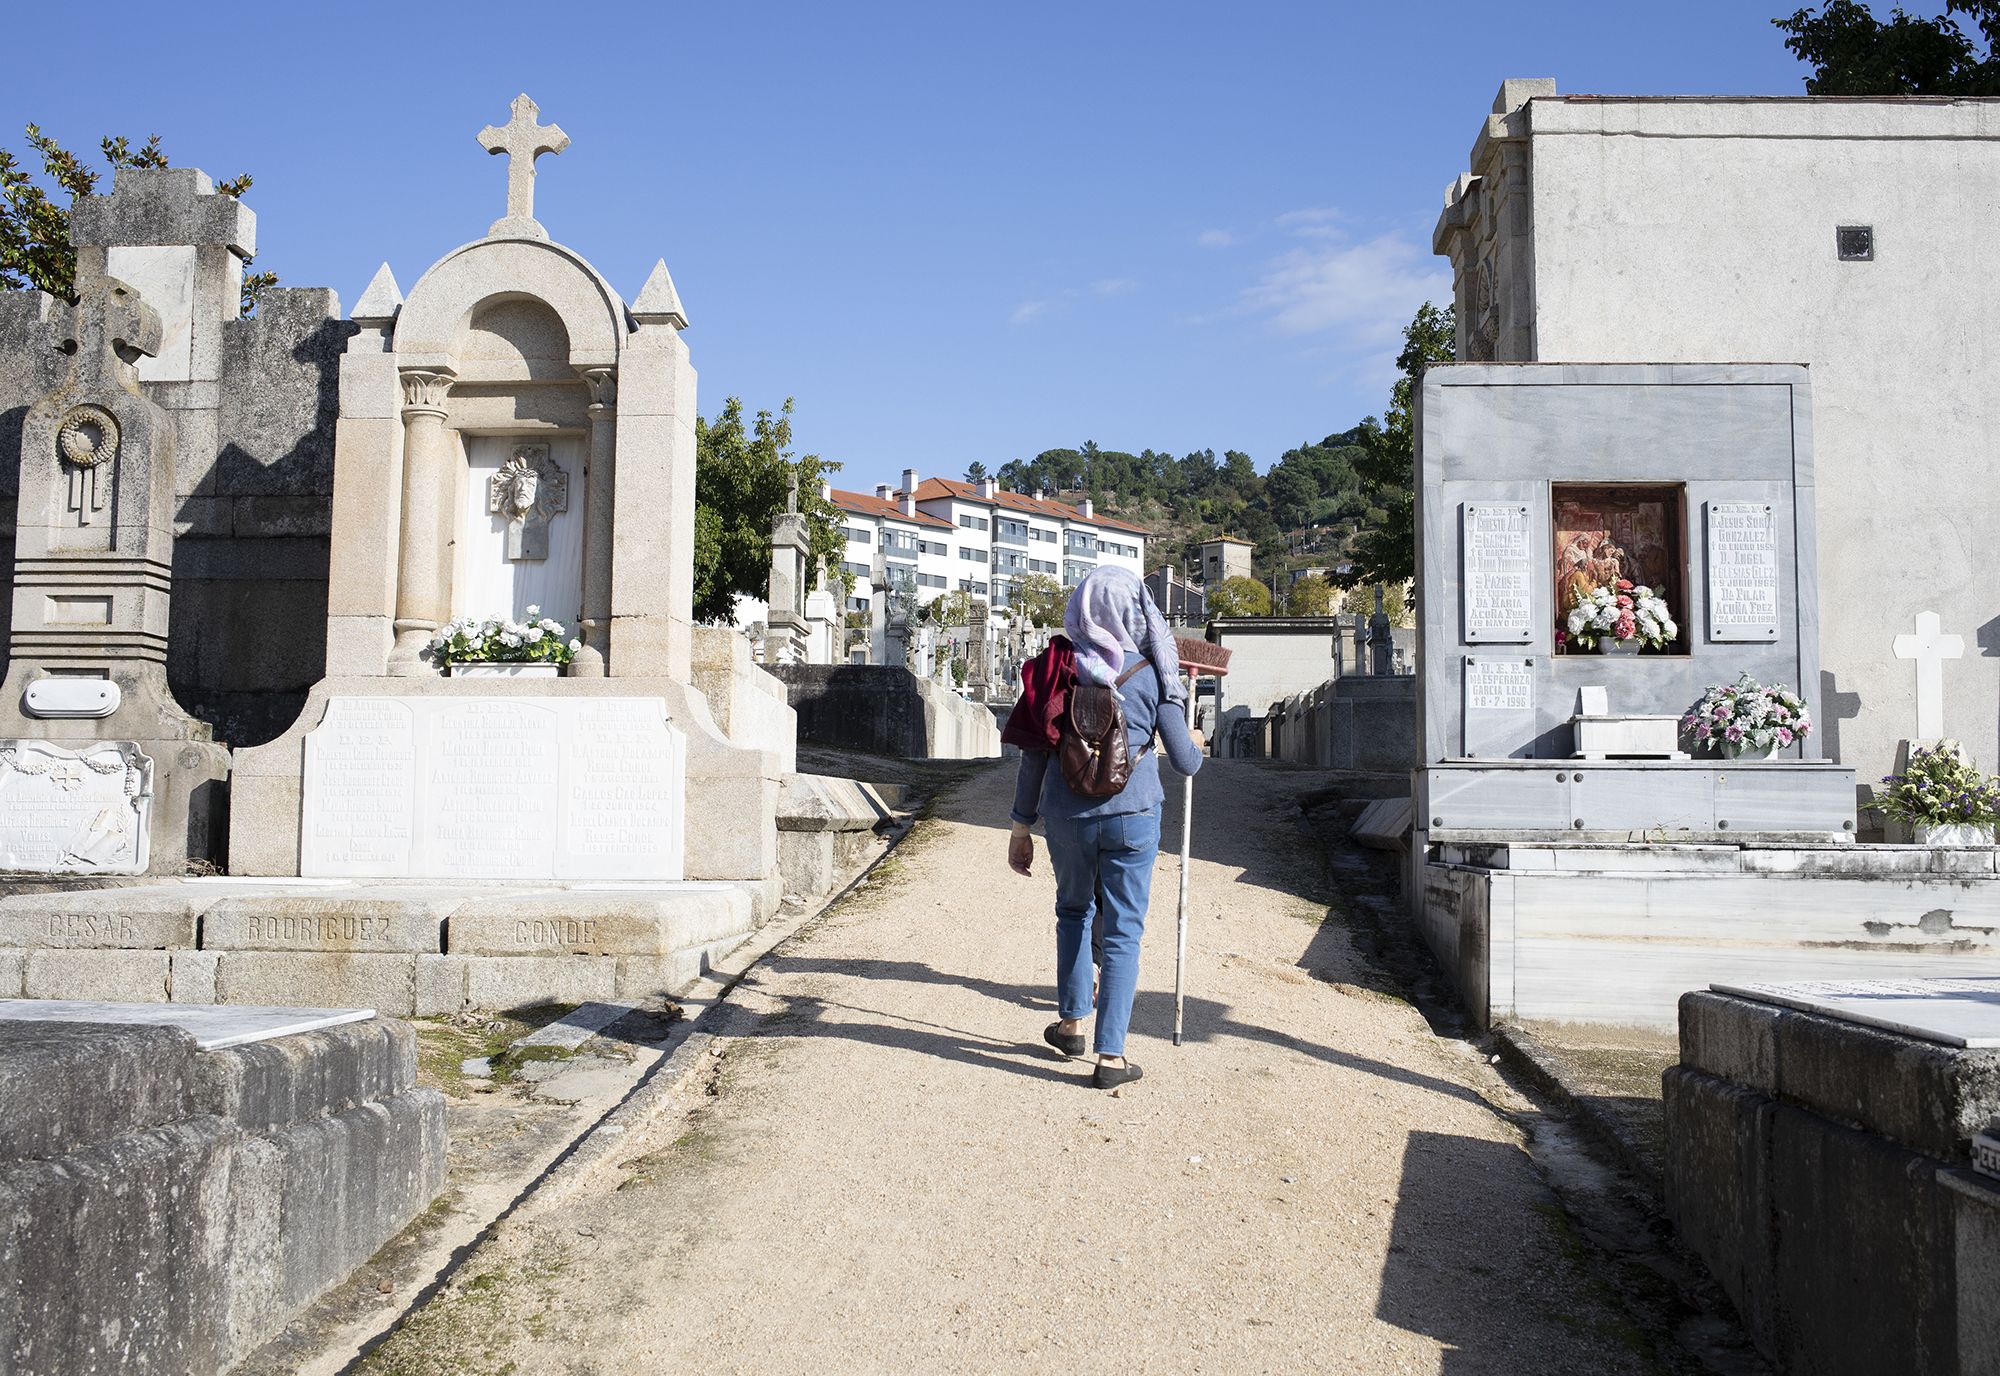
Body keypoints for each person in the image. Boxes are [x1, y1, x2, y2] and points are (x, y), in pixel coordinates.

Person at [1003, 567, 1204, 1089]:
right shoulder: (1153, 672)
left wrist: (1021, 827)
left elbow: (1032, 761)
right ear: (1137, 612)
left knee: (1072, 911)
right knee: (1122, 933)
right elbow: (1185, 762)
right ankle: (1110, 1058)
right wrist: (1185, 712)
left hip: (1066, 819)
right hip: (1135, 817)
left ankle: (1071, 1023)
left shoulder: (1056, 670)